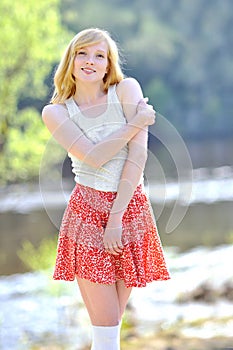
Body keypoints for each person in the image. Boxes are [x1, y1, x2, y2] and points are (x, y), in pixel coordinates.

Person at [42, 28, 170, 350]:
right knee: (107, 325)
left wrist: (116, 217)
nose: (90, 61)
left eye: (100, 55)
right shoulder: (56, 112)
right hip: (86, 212)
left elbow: (138, 155)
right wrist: (137, 122)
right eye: (83, 53)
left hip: (131, 208)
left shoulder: (127, 89)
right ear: (70, 61)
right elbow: (95, 157)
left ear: (109, 64)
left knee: (113, 320)